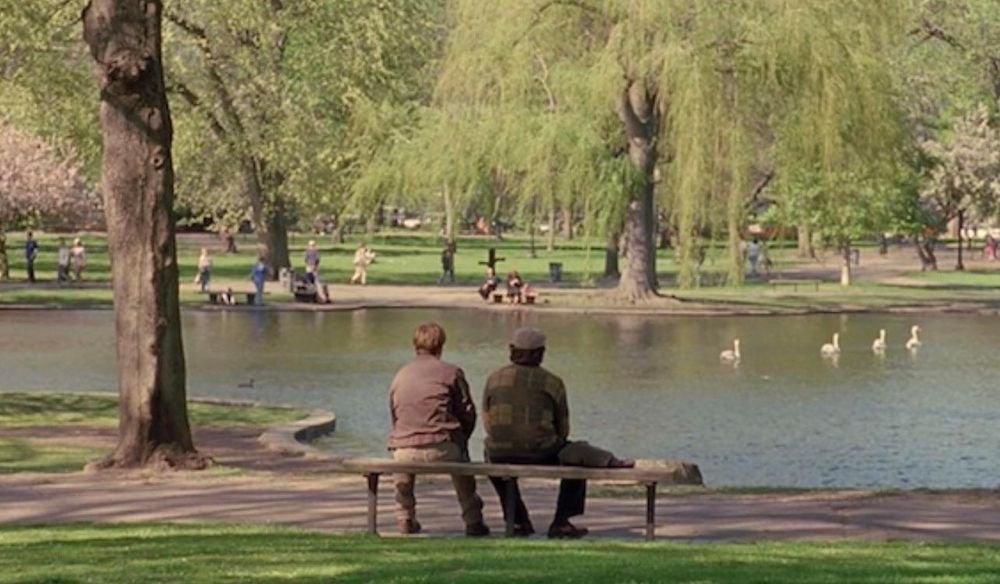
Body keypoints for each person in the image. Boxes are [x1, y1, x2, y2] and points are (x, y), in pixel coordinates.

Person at [482, 327, 634, 539]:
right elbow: (562, 427)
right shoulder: (551, 381)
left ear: (512, 350)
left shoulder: (494, 379)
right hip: (541, 450)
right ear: (539, 353)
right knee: (576, 454)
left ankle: (517, 520)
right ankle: (562, 521)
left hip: (500, 451)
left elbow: (487, 421)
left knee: (490, 455)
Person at [388, 322, 490, 537]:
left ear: (414, 346)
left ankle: (404, 517)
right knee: (462, 467)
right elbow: (468, 412)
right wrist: (461, 439)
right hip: (444, 446)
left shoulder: (400, 375)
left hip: (404, 448)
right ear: (441, 346)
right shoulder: (452, 372)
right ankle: (473, 521)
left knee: (402, 465)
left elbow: (395, 415)